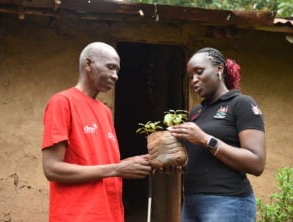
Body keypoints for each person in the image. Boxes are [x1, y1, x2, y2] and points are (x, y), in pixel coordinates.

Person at [41, 42, 152, 222]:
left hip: (109, 214)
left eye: (117, 70)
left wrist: (131, 165)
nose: (115, 76)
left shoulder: (105, 111)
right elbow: (52, 169)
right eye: (110, 67)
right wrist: (117, 169)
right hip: (78, 215)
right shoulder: (62, 102)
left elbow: (101, 164)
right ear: (88, 64)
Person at [168, 47, 266, 222]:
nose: (194, 80)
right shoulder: (197, 112)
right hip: (191, 202)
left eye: (199, 72)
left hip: (228, 202)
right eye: (190, 76)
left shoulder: (241, 104)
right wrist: (177, 161)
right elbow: (203, 160)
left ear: (219, 69)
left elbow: (256, 163)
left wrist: (205, 139)